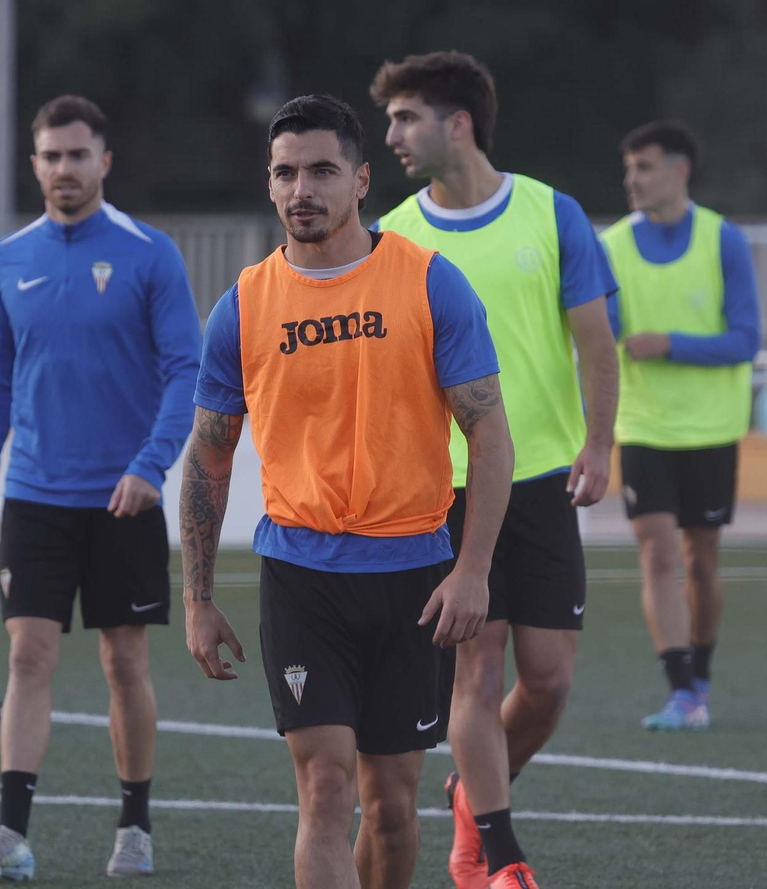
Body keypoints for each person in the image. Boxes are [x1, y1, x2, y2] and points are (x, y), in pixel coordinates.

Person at [182, 95, 518, 889]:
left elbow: (491, 433)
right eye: (286, 172)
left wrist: (472, 569)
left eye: (323, 170)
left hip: (413, 578)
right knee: (325, 787)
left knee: (393, 804)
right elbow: (209, 454)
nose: (303, 188)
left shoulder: (432, 284)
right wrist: (197, 597)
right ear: (269, 186)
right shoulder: (243, 306)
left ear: (362, 180)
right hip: (302, 579)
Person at [368, 50, 618, 889]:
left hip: (543, 479)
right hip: (445, 491)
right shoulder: (394, 235)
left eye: (406, 117)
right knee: (476, 671)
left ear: (459, 122)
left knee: (547, 682)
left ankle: (472, 794)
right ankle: (497, 854)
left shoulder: (553, 214)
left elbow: (596, 345)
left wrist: (601, 442)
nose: (392, 135)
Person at [0, 95, 202, 881]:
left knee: (124, 663)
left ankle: (134, 824)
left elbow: (184, 370)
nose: (64, 169)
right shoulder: (9, 259)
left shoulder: (149, 253)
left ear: (104, 162)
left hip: (123, 498)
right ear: (34, 165)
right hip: (34, 494)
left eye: (77, 155)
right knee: (28, 653)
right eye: (50, 156)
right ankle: (10, 831)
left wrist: (149, 466)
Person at [599, 120, 760, 733]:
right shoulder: (609, 245)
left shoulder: (724, 240)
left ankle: (702, 672)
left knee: (702, 562)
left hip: (712, 428)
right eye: (629, 169)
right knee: (657, 553)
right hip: (642, 426)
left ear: (679, 170)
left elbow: (747, 340)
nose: (632, 180)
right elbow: (599, 332)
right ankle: (680, 689)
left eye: (644, 167)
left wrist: (670, 343)